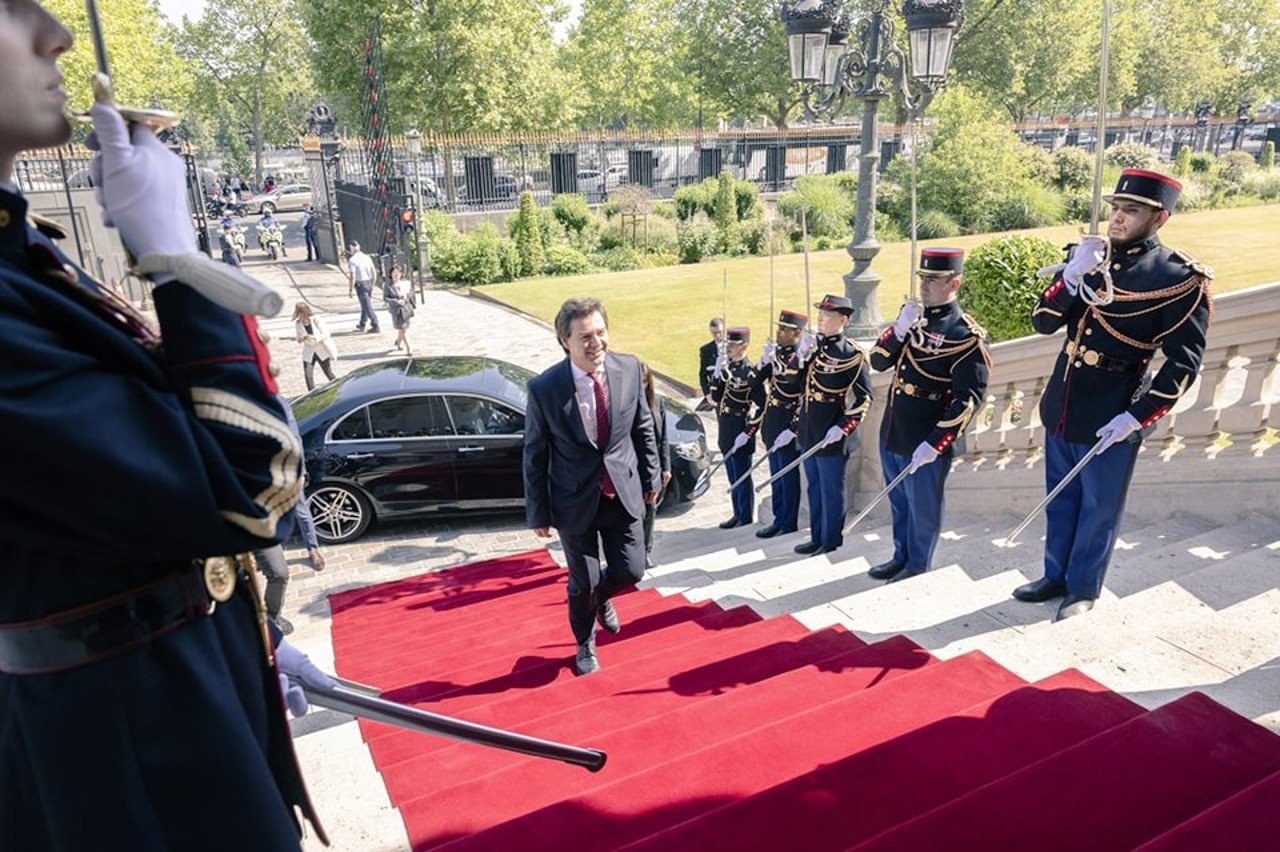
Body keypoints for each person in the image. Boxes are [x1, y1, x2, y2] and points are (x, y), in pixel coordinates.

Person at [0, 6, 326, 848]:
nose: (56, 35)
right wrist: (179, 265)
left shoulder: (22, 256)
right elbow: (248, 482)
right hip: (137, 764)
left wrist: (231, 635)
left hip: (161, 694)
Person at [1013, 169, 1212, 620]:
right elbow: (1043, 322)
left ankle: (1083, 588)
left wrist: (1137, 416)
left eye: (1131, 211)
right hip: (1063, 402)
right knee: (1060, 501)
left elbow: (1183, 364)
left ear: (1159, 218)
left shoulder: (1178, 279)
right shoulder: (1088, 259)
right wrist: (1069, 278)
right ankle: (1054, 576)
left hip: (1113, 411)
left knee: (1099, 509)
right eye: (1116, 209)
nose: (1117, 219)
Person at [523, 297, 661, 675]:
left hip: (622, 491)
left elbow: (643, 426)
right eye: (585, 336)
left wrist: (651, 477)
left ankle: (602, 597)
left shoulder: (630, 368)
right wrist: (538, 511)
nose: (595, 343)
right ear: (564, 340)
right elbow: (534, 454)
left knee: (631, 572)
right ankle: (585, 643)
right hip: (573, 502)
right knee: (582, 582)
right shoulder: (544, 389)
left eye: (600, 333)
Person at [867, 248, 992, 583]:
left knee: (922, 507)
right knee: (899, 503)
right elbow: (878, 362)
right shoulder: (913, 321)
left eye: (933, 279)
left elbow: (969, 399)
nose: (924, 285)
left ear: (954, 283)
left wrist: (937, 442)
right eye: (922, 278)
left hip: (925, 436)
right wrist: (898, 330)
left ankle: (917, 564)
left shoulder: (965, 335)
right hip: (894, 427)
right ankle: (900, 555)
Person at [792, 294, 873, 556]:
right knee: (814, 487)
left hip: (831, 432)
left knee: (831, 490)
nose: (821, 319)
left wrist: (843, 427)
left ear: (843, 319)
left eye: (827, 315)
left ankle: (830, 540)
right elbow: (797, 387)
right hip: (809, 430)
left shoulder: (851, 354)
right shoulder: (815, 348)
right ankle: (816, 537)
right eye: (820, 314)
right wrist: (799, 356)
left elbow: (864, 398)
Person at [746, 309, 808, 538]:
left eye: (785, 330)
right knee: (775, 475)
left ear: (798, 333)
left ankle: (787, 521)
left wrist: (794, 428)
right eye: (779, 328)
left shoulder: (801, 359)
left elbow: (803, 395)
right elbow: (751, 382)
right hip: (772, 421)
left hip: (788, 423)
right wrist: (763, 361)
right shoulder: (776, 355)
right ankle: (778, 518)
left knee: (787, 477)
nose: (779, 333)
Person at [710, 326, 764, 529]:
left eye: (733, 345)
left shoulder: (749, 372)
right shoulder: (729, 368)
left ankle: (745, 516)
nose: (729, 349)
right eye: (728, 345)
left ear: (744, 346)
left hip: (740, 427)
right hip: (726, 426)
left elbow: (761, 405)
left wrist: (749, 432)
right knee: (733, 475)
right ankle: (737, 513)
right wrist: (717, 374)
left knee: (741, 475)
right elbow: (716, 399)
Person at [640, 362, 672, 570]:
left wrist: (666, 467)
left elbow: (663, 438)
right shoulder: (624, 403)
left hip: (653, 467)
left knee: (650, 510)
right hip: (633, 467)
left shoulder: (656, 402)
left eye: (644, 381)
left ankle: (645, 551)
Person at [293, 301, 337, 390]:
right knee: (308, 375)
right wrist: (302, 338)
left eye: (300, 313)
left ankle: (338, 387)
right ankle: (311, 394)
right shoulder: (298, 323)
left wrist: (314, 338)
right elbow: (298, 338)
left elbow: (326, 333)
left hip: (320, 349)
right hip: (309, 351)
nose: (299, 316)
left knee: (328, 373)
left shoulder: (316, 319)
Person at [347, 240, 379, 333]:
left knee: (367, 305)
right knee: (365, 303)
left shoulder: (352, 260)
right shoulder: (366, 257)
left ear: (352, 248)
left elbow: (352, 276)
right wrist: (373, 283)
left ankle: (375, 323)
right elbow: (373, 271)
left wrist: (350, 289)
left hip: (361, 284)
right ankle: (362, 323)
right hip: (368, 282)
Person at [383, 264, 415, 355]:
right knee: (402, 327)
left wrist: (406, 298)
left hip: (405, 308)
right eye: (394, 273)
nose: (396, 275)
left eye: (398, 273)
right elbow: (386, 298)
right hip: (396, 309)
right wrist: (396, 301)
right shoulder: (387, 285)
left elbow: (411, 293)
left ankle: (398, 341)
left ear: (401, 274)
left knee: (404, 329)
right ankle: (409, 347)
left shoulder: (405, 283)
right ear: (391, 274)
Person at [697, 317, 725, 410]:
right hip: (716, 393)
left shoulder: (733, 347)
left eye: (720, 332)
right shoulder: (706, 350)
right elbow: (702, 375)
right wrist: (708, 395)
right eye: (714, 333)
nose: (717, 335)